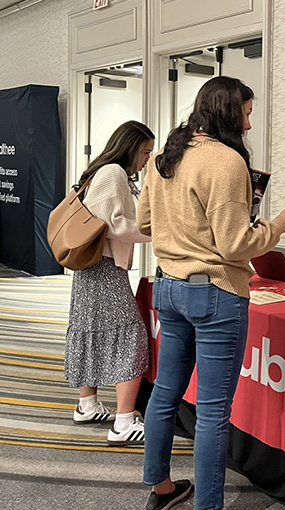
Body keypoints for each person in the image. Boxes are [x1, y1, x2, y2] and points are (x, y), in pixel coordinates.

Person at [138, 77, 285, 510]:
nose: (250, 123)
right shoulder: (226, 162)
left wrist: (183, 235)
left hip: (168, 287)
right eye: (247, 112)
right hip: (214, 293)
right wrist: (280, 224)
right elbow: (235, 245)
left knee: (165, 394)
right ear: (230, 112)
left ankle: (160, 487)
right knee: (212, 410)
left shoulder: (163, 158)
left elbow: (146, 222)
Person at [64, 120, 154, 445]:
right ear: (130, 148)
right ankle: (124, 422)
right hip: (103, 269)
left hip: (90, 268)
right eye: (145, 152)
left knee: (88, 330)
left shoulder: (100, 172)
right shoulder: (114, 173)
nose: (146, 160)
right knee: (130, 337)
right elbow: (115, 226)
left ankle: (87, 405)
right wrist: (160, 230)